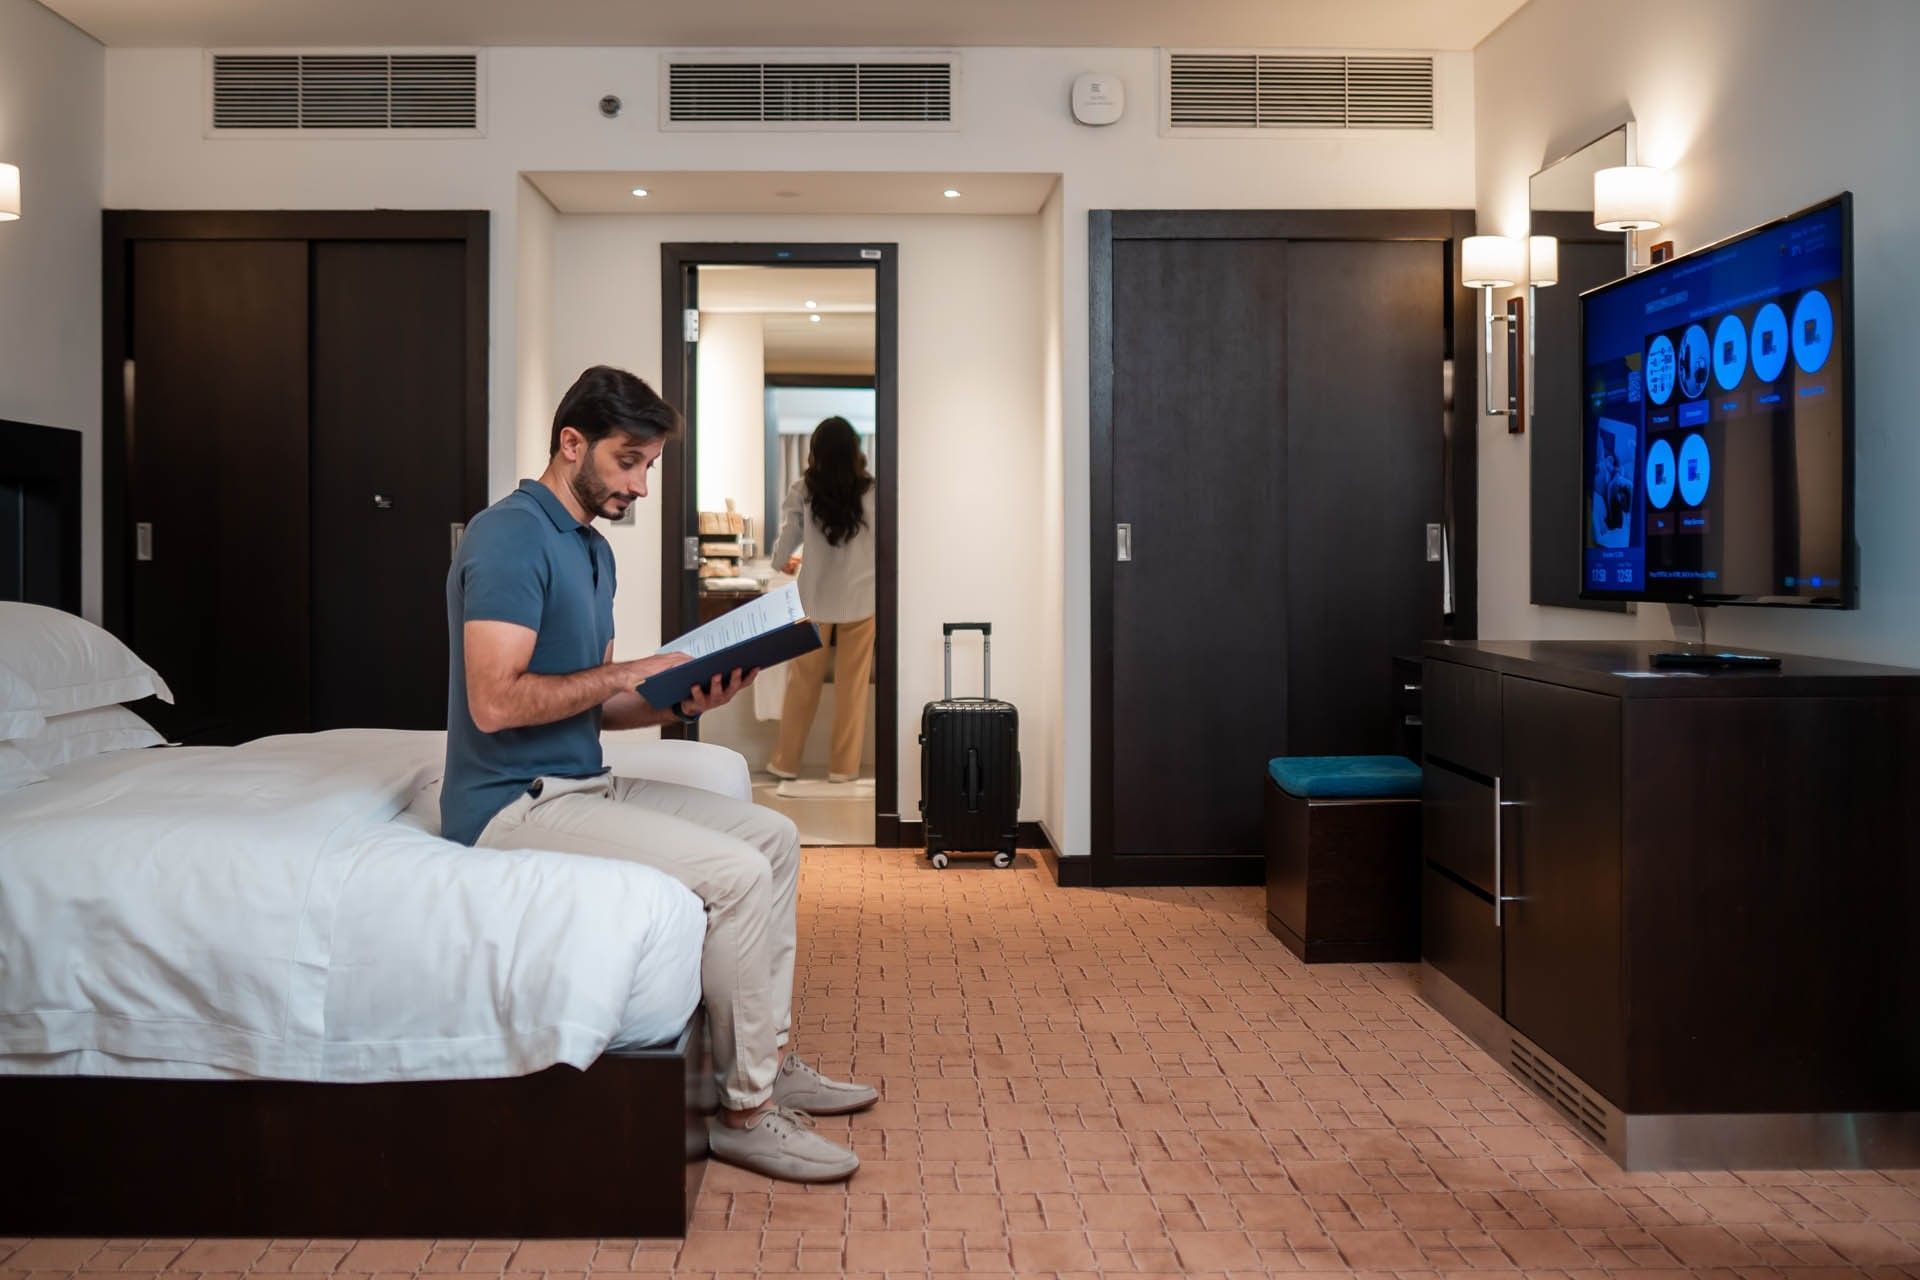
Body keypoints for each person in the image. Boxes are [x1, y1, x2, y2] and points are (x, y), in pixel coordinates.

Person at [441, 365, 874, 1184]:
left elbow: (586, 707)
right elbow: (496, 704)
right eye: (628, 461)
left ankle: (764, 1059)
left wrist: (685, 697)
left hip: (578, 780)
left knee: (774, 837)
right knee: (738, 874)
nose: (640, 485)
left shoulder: (594, 554)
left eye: (648, 467)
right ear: (572, 444)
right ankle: (745, 1114)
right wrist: (628, 670)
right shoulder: (509, 536)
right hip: (508, 802)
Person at [766, 416, 877, 784]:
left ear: (815, 451)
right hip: (862, 600)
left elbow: (785, 547)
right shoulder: (873, 491)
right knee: (852, 688)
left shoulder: (803, 489)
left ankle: (786, 762)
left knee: (802, 685)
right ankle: (843, 769)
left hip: (812, 600)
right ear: (855, 451)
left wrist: (783, 562)